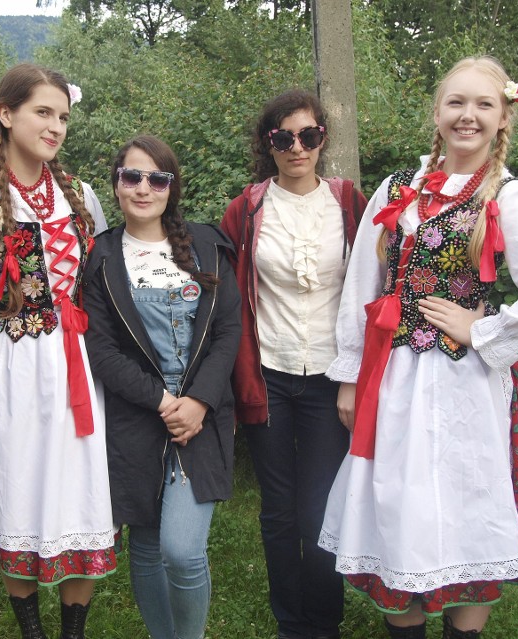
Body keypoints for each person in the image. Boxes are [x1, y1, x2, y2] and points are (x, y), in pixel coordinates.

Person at [317, 56, 518, 639]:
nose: (468, 116)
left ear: (502, 118)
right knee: (393, 505)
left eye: (483, 105)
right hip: (391, 379)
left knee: (464, 505)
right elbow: (360, 285)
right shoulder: (396, 190)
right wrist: (348, 374)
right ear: (436, 113)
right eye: (456, 103)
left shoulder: (510, 197)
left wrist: (485, 329)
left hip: (465, 385)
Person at [0, 63, 113, 639]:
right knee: (19, 491)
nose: (55, 125)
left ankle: (73, 633)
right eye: (42, 112)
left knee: (83, 496)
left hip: (81, 367)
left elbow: (104, 282)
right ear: (7, 115)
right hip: (12, 372)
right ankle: (32, 632)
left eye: (63, 115)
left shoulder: (80, 196)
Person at [219, 90, 367, 639]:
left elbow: (375, 282)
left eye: (308, 135)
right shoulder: (249, 207)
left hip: (332, 379)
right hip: (271, 373)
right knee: (278, 510)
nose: (297, 147)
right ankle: (290, 622)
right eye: (284, 138)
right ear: (268, 144)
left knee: (322, 505)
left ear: (322, 138)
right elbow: (228, 295)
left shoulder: (350, 203)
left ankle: (324, 620)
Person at [82, 135, 241, 639]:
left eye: (157, 178)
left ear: (172, 187)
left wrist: (197, 401)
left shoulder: (207, 246)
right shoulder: (102, 258)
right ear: (116, 185)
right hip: (137, 413)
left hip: (203, 413)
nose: (144, 188)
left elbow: (228, 331)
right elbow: (101, 348)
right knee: (148, 547)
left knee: (182, 550)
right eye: (132, 177)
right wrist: (160, 399)